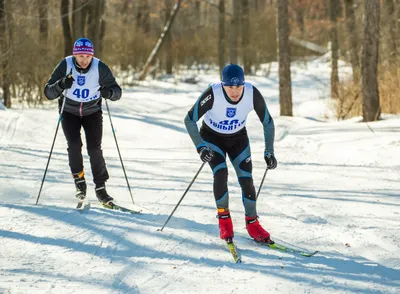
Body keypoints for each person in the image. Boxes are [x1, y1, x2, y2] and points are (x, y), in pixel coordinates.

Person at [184, 64, 277, 243]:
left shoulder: (251, 93)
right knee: (220, 173)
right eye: (229, 86)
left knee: (246, 178)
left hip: (238, 139)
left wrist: (269, 152)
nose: (234, 91)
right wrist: (200, 147)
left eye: (238, 86)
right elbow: (189, 119)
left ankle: (252, 223)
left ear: (244, 83)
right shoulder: (213, 93)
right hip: (212, 138)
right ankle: (224, 220)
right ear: (222, 85)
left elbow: (268, 122)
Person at [44, 37, 122, 205]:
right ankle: (80, 183)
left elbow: (117, 92)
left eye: (88, 57)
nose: (85, 60)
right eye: (81, 56)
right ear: (75, 55)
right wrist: (61, 84)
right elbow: (48, 92)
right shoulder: (65, 65)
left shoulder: (100, 67)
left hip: (92, 112)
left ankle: (100, 187)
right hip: (69, 111)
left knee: (94, 148)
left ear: (92, 56)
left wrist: (109, 93)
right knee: (74, 145)